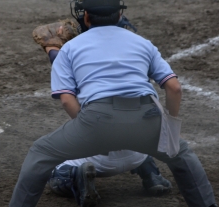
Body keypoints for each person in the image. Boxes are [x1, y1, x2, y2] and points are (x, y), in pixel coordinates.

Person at [10, 0, 218, 207]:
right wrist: (168, 129)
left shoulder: (70, 48)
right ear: (119, 14)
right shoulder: (143, 43)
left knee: (40, 152)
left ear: (86, 16)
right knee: (182, 155)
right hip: (147, 118)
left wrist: (90, 129)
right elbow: (174, 87)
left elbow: (67, 100)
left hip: (98, 120)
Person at [40, 20, 173, 200]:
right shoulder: (137, 52)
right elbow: (174, 87)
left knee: (54, 168)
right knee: (136, 122)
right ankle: (151, 174)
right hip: (139, 152)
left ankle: (76, 175)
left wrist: (50, 47)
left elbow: (62, 73)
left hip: (99, 155)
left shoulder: (78, 57)